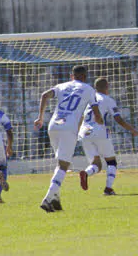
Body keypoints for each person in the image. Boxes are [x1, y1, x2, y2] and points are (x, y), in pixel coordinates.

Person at [34, 65, 103, 213]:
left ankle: (55, 200)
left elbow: (44, 95)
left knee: (60, 164)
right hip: (69, 128)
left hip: (53, 126)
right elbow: (96, 113)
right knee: (63, 165)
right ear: (84, 77)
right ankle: (47, 198)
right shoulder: (89, 89)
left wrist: (40, 118)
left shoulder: (61, 86)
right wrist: (100, 124)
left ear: (72, 76)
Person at [78, 78, 138, 195]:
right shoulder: (107, 100)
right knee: (111, 162)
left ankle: (86, 173)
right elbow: (118, 119)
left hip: (84, 133)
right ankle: (108, 188)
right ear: (107, 87)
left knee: (96, 164)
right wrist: (131, 129)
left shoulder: (87, 100)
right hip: (99, 131)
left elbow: (80, 117)